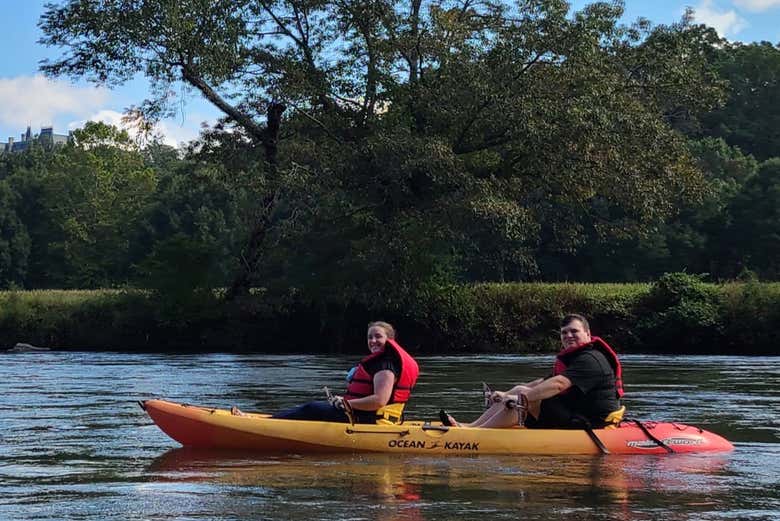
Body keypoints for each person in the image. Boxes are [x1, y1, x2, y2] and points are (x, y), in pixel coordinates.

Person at [441, 314, 623, 429]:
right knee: (522, 389)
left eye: (574, 331)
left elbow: (558, 385)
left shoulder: (590, 360)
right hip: (575, 412)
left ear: (588, 334)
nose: (568, 336)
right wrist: (506, 394)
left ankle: (476, 434)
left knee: (525, 398)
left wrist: (521, 399)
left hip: (591, 422)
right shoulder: (577, 357)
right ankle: (469, 426)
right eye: (564, 333)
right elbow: (542, 383)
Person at [232, 321, 420, 424]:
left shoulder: (385, 367)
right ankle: (268, 421)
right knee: (314, 408)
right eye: (370, 337)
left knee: (312, 408)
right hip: (363, 416)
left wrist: (346, 404)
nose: (373, 341)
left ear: (390, 340)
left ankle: (263, 425)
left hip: (369, 421)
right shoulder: (380, 363)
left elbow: (379, 401)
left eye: (378, 336)